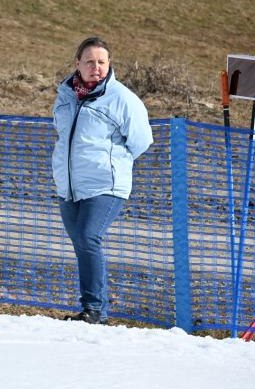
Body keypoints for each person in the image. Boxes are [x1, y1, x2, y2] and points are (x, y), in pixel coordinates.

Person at [52, 37, 153, 324]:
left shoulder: (122, 98)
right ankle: (91, 309)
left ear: (109, 65)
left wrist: (113, 164)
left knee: (88, 237)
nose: (96, 67)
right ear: (78, 65)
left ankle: (95, 311)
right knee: (81, 243)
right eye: (90, 62)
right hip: (70, 185)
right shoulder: (65, 95)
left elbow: (141, 141)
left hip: (105, 185)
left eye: (102, 62)